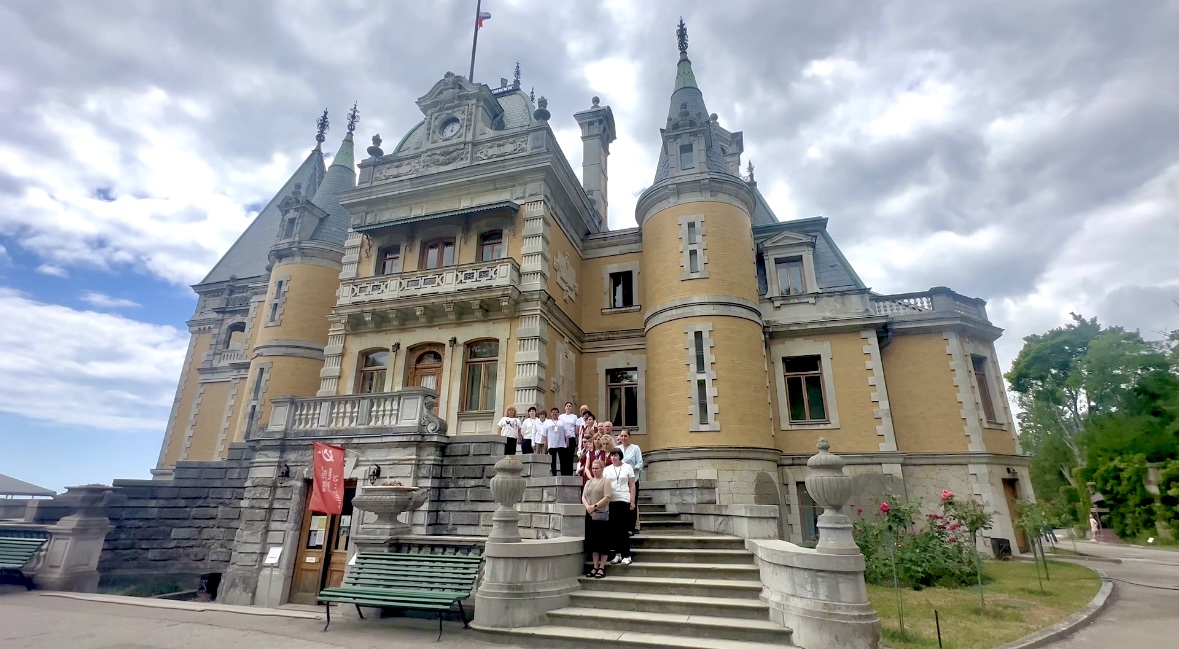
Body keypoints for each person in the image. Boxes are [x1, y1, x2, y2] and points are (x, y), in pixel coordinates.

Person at [603, 449, 635, 565]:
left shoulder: (628, 467)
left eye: (615, 455)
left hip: (624, 499)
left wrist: (632, 501)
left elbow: (632, 485)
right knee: (614, 529)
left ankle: (627, 555)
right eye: (611, 456)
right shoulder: (607, 469)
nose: (613, 458)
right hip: (612, 500)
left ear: (620, 456)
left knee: (623, 529)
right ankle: (618, 554)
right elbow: (604, 485)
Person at [581, 458, 612, 579]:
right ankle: (595, 566)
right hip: (590, 515)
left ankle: (602, 567)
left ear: (602, 469)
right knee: (593, 543)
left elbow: (607, 497)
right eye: (593, 468)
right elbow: (583, 496)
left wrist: (594, 506)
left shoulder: (606, 481)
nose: (594, 470)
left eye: (596, 468)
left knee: (602, 542)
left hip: (601, 514)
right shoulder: (588, 482)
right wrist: (588, 507)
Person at [617, 429, 643, 536]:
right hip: (621, 481)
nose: (623, 438)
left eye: (625, 436)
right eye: (622, 436)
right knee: (622, 503)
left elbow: (640, 463)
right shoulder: (618, 448)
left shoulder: (635, 448)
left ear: (629, 437)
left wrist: (632, 468)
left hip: (633, 479)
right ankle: (622, 527)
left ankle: (631, 527)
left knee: (632, 503)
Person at [543, 408, 565, 476]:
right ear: (551, 413)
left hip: (561, 443)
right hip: (551, 444)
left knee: (562, 459)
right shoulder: (547, 422)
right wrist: (545, 443)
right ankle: (554, 474)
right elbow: (544, 434)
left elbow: (566, 432)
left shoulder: (562, 422)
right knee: (553, 460)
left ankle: (563, 473)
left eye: (556, 412)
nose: (555, 413)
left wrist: (566, 441)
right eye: (553, 412)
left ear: (558, 413)